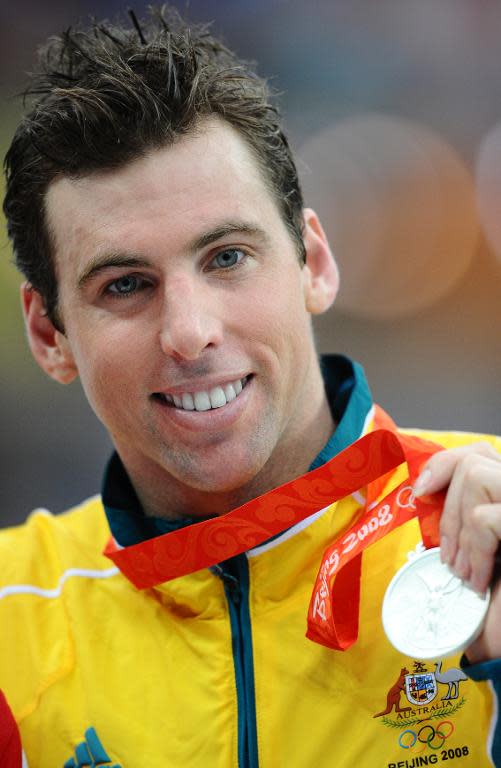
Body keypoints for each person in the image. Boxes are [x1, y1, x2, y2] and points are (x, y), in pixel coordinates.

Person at [1, 6, 501, 767]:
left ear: (314, 262)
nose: (190, 331)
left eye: (227, 258)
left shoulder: (488, 520)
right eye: (126, 284)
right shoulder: (12, 616)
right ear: (49, 335)